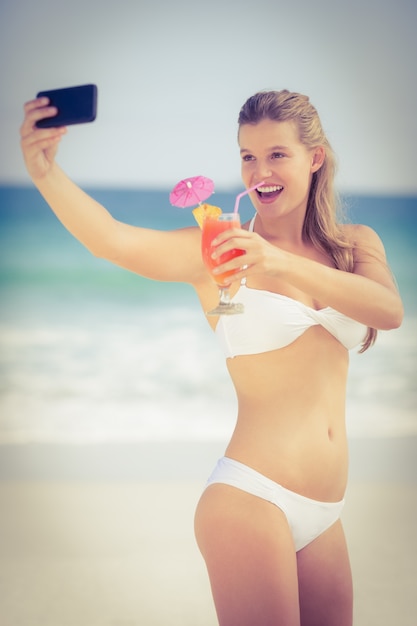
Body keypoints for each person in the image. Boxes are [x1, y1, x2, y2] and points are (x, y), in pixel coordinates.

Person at [20, 89, 403, 626]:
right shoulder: (219, 250)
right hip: (249, 500)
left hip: (325, 515)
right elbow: (112, 240)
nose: (258, 171)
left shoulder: (355, 244)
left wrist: (279, 261)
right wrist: (44, 174)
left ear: (314, 158)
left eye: (276, 154)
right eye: (247, 156)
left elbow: (388, 311)